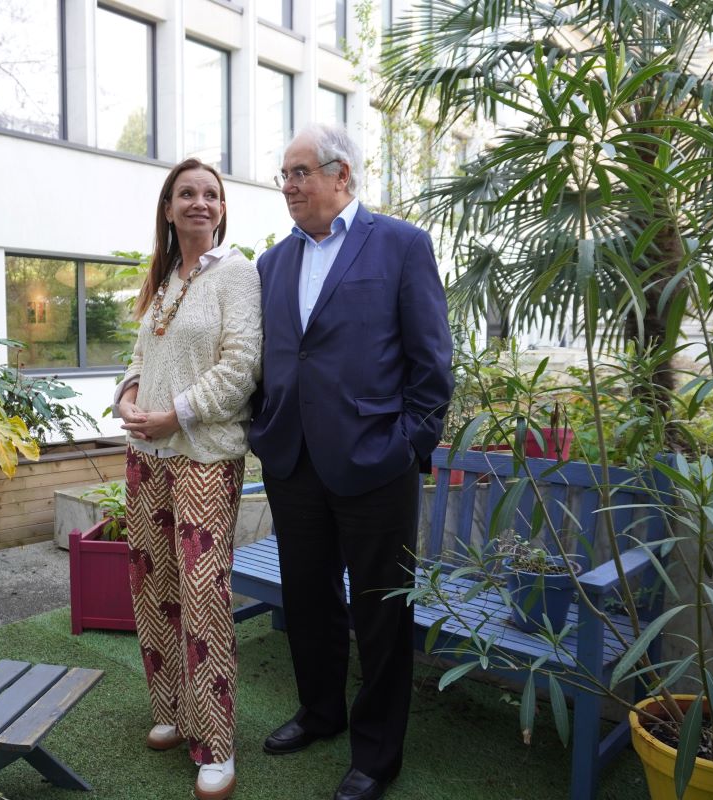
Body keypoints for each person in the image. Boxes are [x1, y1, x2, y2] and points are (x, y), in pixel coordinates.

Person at [249, 124, 453, 800]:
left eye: (300, 172)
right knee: (307, 601)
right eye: (284, 174)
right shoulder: (272, 264)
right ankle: (320, 712)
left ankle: (377, 754)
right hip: (293, 464)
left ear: (342, 176)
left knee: (380, 615)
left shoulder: (400, 245)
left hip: (376, 466)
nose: (288, 186)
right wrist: (263, 429)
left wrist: (408, 445)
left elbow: (431, 364)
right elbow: (271, 359)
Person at [115, 158, 262, 800]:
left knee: (202, 593)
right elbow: (141, 356)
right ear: (169, 209)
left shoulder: (238, 274)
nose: (199, 202)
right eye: (186, 194)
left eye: (210, 194)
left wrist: (173, 414)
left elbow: (241, 366)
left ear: (221, 210)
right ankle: (174, 709)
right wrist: (126, 396)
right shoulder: (163, 280)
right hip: (147, 456)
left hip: (204, 453)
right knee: (152, 586)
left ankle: (216, 744)